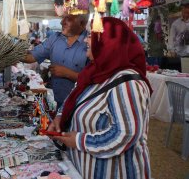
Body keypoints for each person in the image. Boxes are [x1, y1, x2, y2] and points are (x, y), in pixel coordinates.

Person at [48, 17, 153, 179]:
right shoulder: (94, 73)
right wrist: (60, 117)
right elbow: (74, 98)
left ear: (108, 42)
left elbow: (125, 135)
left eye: (91, 35)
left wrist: (79, 140)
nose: (85, 40)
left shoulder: (127, 83)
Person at [22, 14, 89, 109]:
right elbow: (32, 57)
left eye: (68, 19)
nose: (62, 22)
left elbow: (94, 80)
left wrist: (67, 74)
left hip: (82, 106)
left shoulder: (90, 43)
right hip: (60, 103)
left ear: (82, 24)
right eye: (63, 18)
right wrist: (11, 53)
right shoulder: (55, 38)